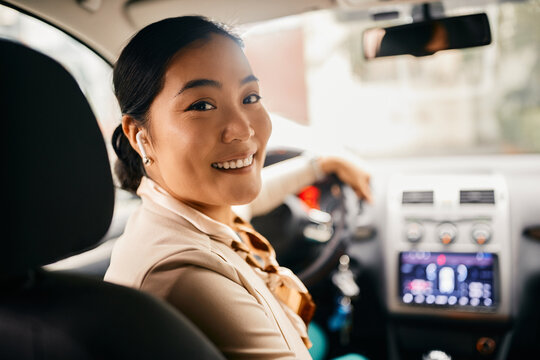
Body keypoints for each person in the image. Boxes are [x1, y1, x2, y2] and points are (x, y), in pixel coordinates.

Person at [104, 16, 371, 360]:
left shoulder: (182, 213)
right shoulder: (185, 274)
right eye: (202, 105)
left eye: (250, 97)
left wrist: (321, 165)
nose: (242, 129)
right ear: (140, 135)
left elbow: (251, 199)